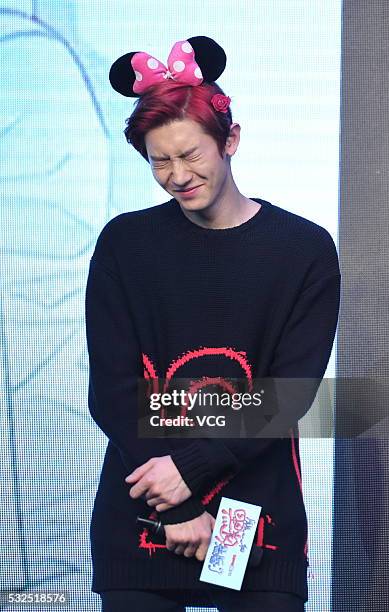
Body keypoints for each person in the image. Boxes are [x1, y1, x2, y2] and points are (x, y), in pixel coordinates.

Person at [85, 36, 341, 611]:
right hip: (143, 509)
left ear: (231, 140)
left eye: (192, 154)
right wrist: (175, 505)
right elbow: (114, 389)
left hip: (251, 514)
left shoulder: (302, 249)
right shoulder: (127, 244)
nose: (178, 175)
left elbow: (289, 393)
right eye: (160, 161)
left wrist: (192, 473)